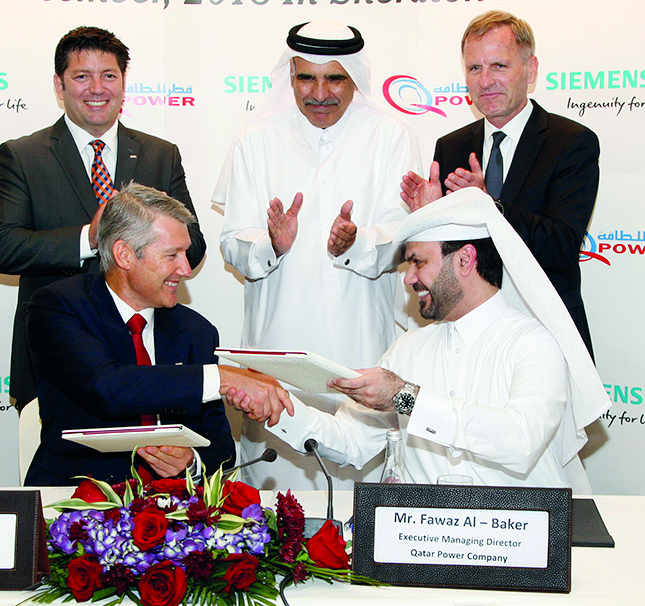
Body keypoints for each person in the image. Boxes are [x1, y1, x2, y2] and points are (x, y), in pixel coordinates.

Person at [248, 188, 609, 491]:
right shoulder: (410, 348)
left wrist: (406, 398)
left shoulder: (533, 344)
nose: (408, 279)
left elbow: (521, 441)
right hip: (422, 541)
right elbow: (351, 440)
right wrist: (279, 409)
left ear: (465, 260)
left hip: (514, 543)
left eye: (418, 262)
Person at [213, 20, 420, 490]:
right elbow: (232, 243)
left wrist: (356, 243)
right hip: (278, 351)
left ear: (355, 79)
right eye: (307, 78)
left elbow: (404, 238)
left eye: (335, 79)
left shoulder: (390, 135)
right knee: (275, 495)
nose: (320, 93)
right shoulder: (256, 139)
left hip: (361, 347)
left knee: (361, 494)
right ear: (290, 75)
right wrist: (272, 244)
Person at [0, 26, 206, 412]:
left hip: (145, 353)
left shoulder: (160, 154)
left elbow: (193, 244)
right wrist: (91, 237)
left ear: (123, 83)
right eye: (81, 76)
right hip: (58, 357)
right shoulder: (23, 156)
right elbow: (5, 248)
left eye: (109, 75)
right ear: (59, 85)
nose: (97, 88)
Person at [24, 184, 292, 487]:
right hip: (73, 500)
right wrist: (222, 378)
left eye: (186, 253)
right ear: (124, 254)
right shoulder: (59, 306)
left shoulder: (196, 332)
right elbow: (108, 387)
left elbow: (220, 444)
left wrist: (191, 461)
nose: (186, 268)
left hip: (169, 508)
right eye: (172, 254)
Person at [401, 10, 599, 359]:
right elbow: (449, 259)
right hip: (469, 340)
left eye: (499, 66)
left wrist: (489, 206)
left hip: (546, 334)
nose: (485, 81)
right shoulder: (451, 146)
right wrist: (428, 218)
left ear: (530, 70)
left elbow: (561, 247)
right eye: (474, 68)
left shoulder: (571, 142)